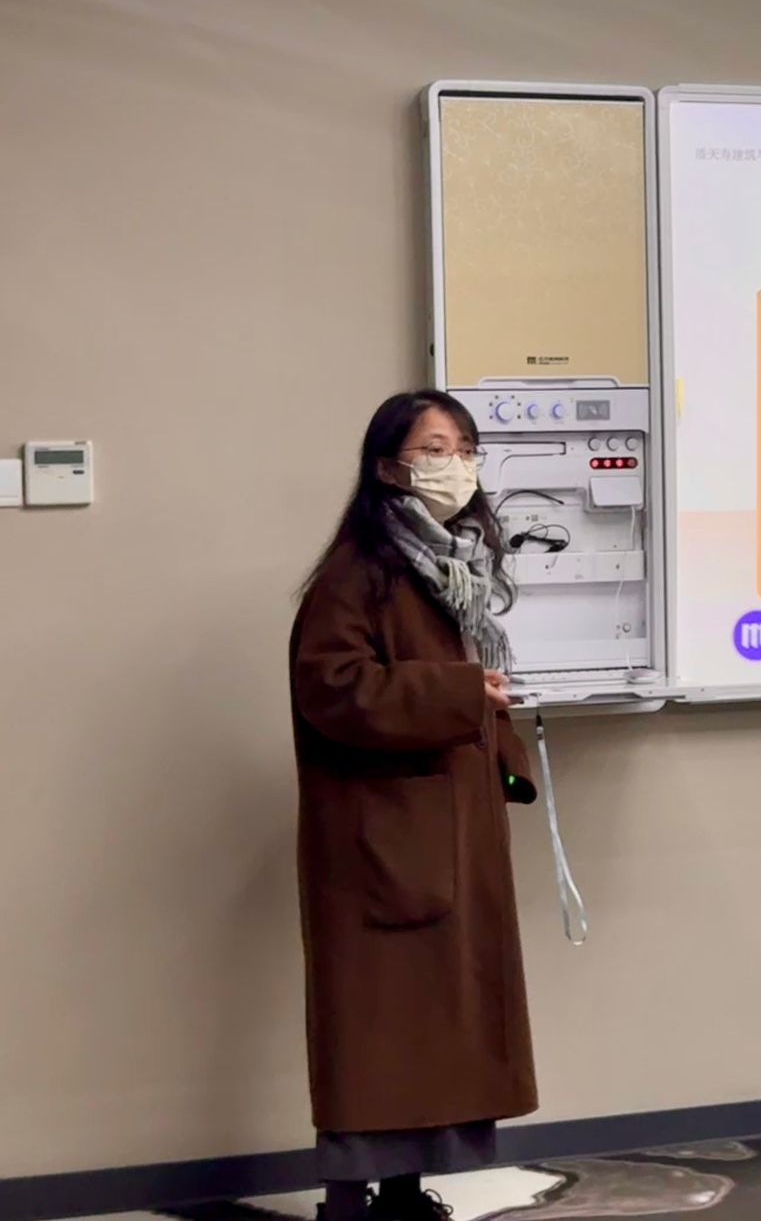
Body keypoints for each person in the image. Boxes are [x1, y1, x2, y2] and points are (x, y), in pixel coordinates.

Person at [290, 390, 539, 1221]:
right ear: (388, 468)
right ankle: (345, 1203)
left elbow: (464, 683)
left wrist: (502, 756)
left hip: (448, 830)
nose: (455, 463)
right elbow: (333, 689)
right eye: (435, 448)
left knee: (433, 1028)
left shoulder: (452, 568)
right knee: (376, 1028)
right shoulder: (356, 575)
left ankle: (400, 1197)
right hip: (383, 845)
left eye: (465, 446)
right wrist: (462, 694)